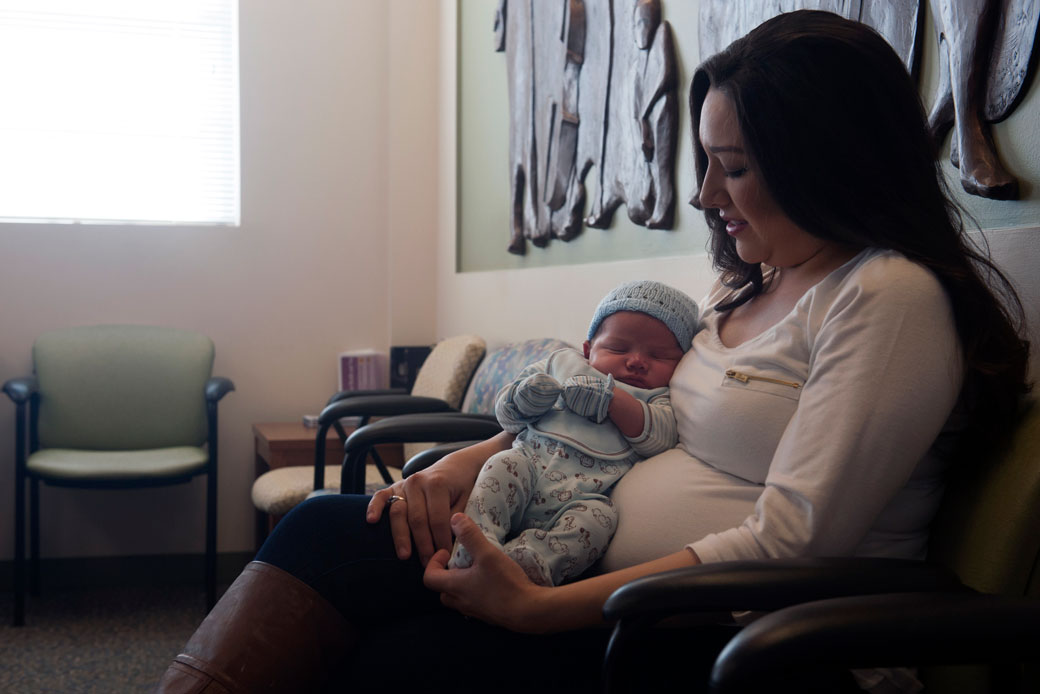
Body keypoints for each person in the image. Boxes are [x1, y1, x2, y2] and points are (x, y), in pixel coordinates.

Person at [155, 10, 1030, 694]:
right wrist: (466, 465)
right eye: (706, 161)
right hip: (585, 559)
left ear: (826, 163)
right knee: (322, 529)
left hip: (747, 641)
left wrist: (536, 610)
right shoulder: (750, 286)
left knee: (393, 666)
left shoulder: (887, 297)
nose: (705, 193)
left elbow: (791, 541)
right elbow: (637, 415)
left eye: (734, 166)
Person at [447, 280, 698, 586]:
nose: (636, 362)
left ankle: (527, 563)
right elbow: (506, 416)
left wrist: (614, 401)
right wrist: (523, 398)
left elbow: (659, 438)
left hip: (586, 497)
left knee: (599, 521)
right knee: (499, 466)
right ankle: (475, 547)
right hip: (527, 465)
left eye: (659, 356)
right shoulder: (560, 363)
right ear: (588, 349)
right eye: (618, 348)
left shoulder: (656, 397)